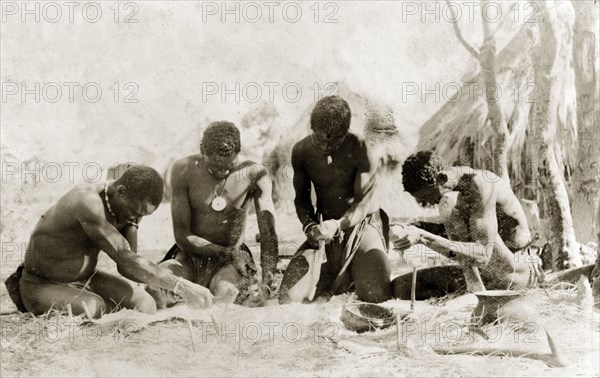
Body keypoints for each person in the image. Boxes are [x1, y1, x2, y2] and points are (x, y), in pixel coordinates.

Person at [3, 165, 213, 318]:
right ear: (120, 192)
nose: (136, 219)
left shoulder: (126, 208)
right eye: (135, 213)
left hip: (85, 278)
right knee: (94, 307)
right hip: (41, 284)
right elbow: (125, 257)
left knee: (145, 304)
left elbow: (127, 268)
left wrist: (160, 283)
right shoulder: (86, 201)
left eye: (143, 216)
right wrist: (181, 286)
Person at [391, 150, 594, 299]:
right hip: (487, 273)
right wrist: (416, 227)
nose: (425, 204)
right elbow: (469, 232)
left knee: (449, 207)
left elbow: (482, 253)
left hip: (515, 272)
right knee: (400, 287)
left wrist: (423, 237)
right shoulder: (455, 193)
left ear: (441, 178)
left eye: (427, 196)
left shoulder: (480, 185)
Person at [148, 121, 278, 308]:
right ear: (202, 151)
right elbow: (182, 236)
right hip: (189, 258)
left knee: (228, 299)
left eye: (229, 166)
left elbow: (268, 234)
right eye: (215, 166)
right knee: (154, 292)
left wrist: (266, 283)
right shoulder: (183, 170)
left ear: (238, 152)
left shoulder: (254, 173)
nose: (222, 171)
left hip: (230, 265)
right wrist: (228, 253)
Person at [278, 95, 392, 304]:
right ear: (312, 128)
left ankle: (351, 270)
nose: (325, 146)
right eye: (320, 139)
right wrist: (310, 227)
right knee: (288, 300)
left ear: (344, 132)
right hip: (324, 231)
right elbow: (301, 199)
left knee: (376, 296)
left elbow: (363, 203)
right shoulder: (301, 151)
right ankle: (338, 273)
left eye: (334, 140)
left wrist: (339, 225)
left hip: (361, 226)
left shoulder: (361, 148)